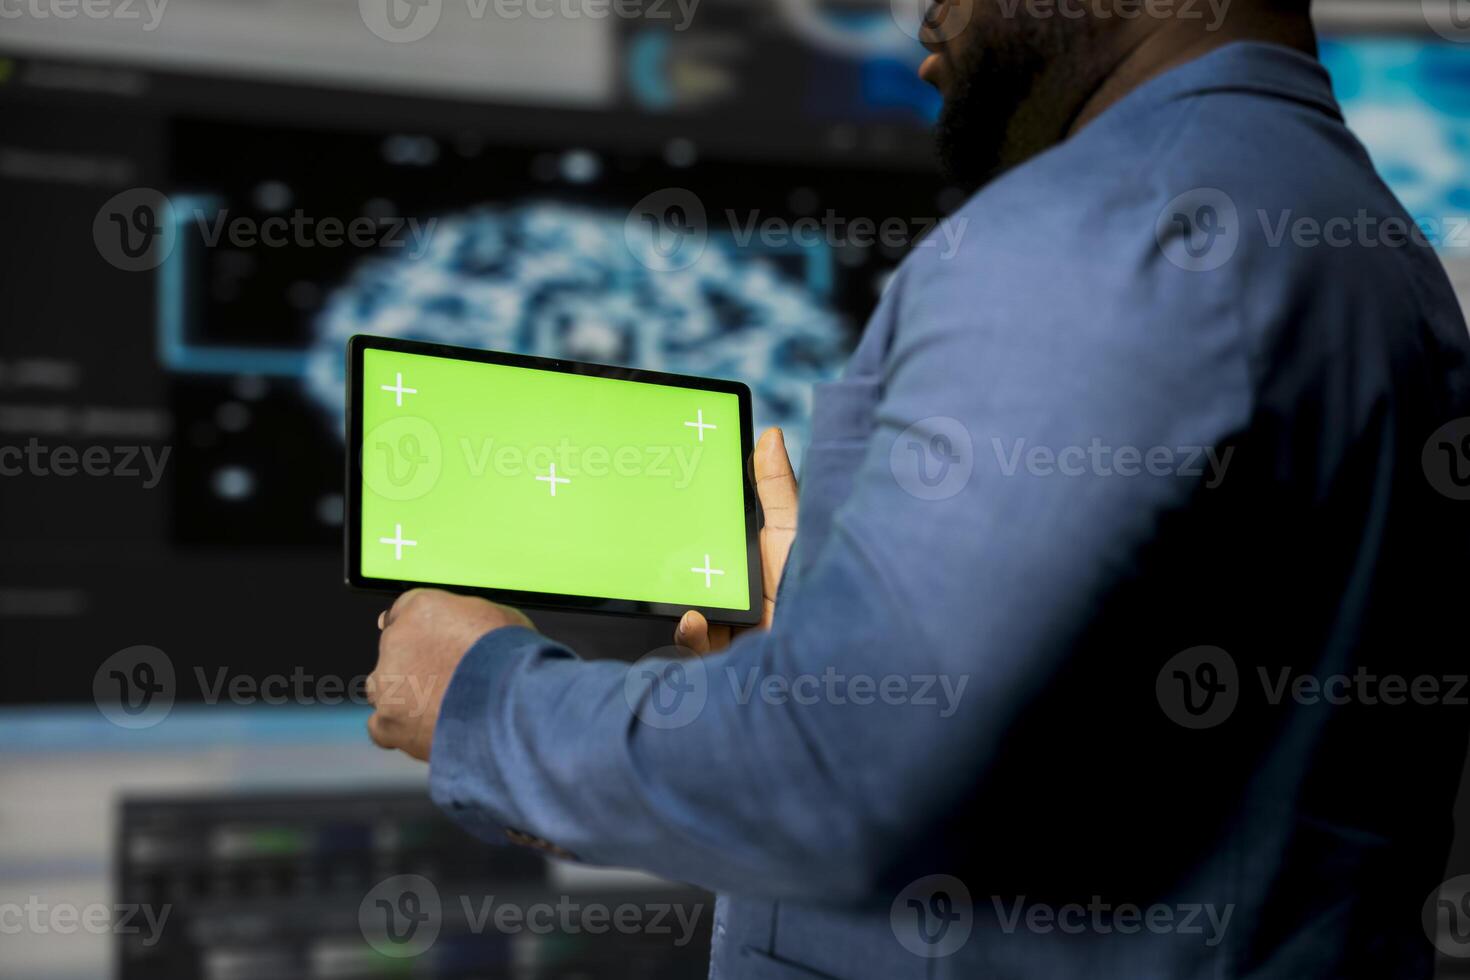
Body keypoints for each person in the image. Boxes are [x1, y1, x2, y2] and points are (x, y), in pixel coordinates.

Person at [364, 0, 1470, 975]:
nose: (926, 22)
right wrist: (834, 626)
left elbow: (837, 774)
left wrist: (484, 700)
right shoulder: (1368, 242)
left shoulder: (1091, 230)